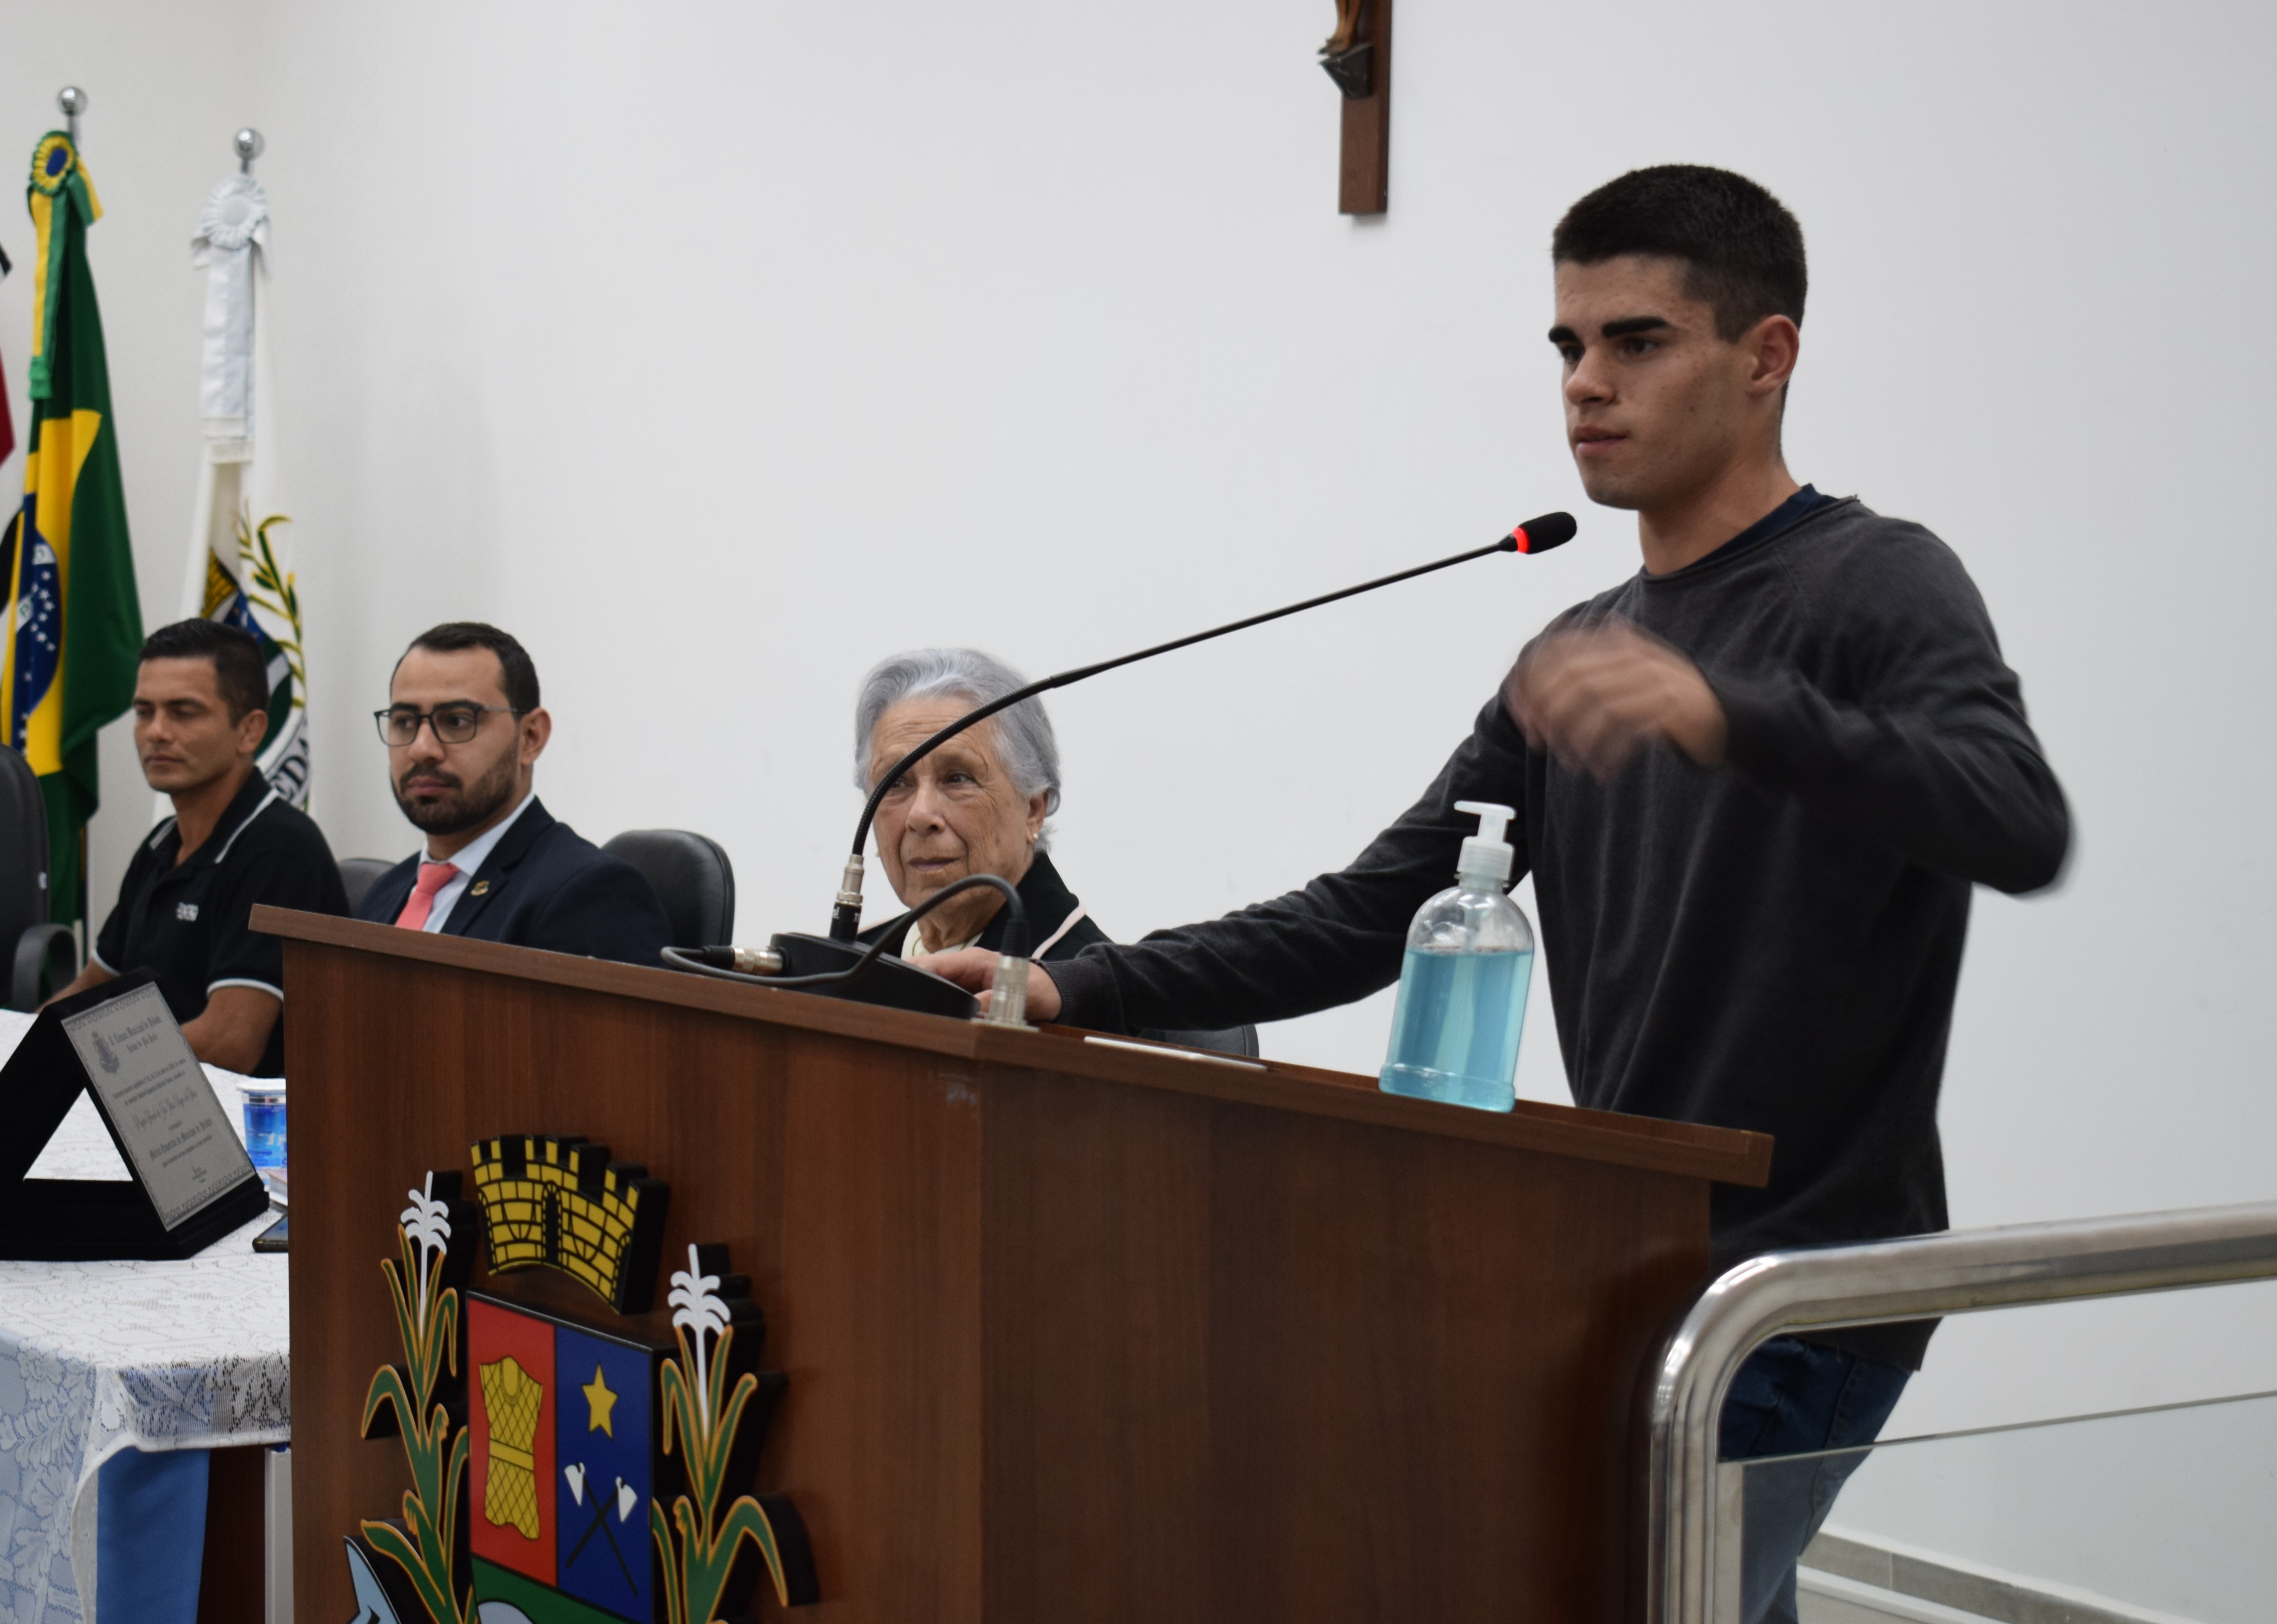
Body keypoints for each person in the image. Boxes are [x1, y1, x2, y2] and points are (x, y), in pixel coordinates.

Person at [928, 165, 2070, 1623]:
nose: (1585, 382)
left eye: (1636, 341)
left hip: (1799, 1293)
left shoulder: (1878, 583)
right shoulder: (1576, 654)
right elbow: (1364, 913)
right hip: (1633, 1263)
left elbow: (2017, 821)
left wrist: (1734, 714)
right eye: (1567, 346)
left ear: (1766, 355)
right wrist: (1067, 983)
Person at [854, 647, 1256, 1055]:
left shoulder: (1096, 1008)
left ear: (1033, 808)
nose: (920, 815)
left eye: (957, 778)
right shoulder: (848, 967)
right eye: (896, 783)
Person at [52, 619, 349, 1075]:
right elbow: (89, 990)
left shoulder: (280, 852)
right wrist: (19, 1048)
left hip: (248, 1115)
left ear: (250, 731)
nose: (156, 731)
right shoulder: (161, 843)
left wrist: (84, 1063)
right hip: (151, 1096)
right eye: (144, 712)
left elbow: (228, 1044)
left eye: (183, 712)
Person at [356, 621, 673, 965]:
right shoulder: (385, 893)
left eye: (457, 721)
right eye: (404, 722)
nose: (422, 749)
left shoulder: (591, 895)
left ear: (530, 737)